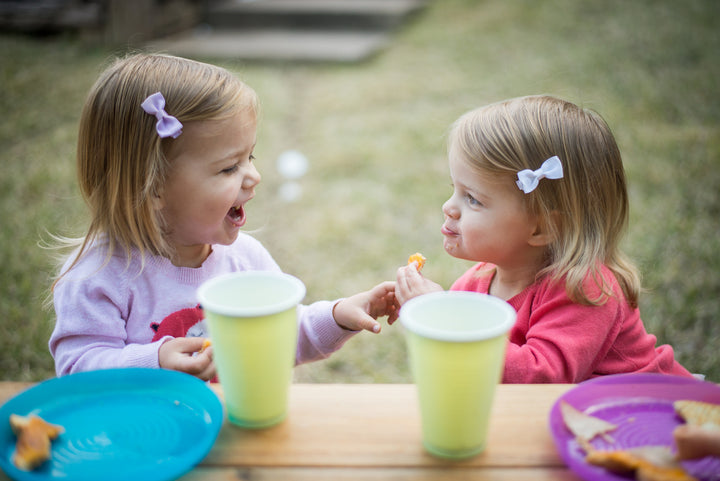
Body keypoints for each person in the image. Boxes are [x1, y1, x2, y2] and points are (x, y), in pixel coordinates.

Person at [49, 53, 397, 381]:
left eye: (251, 157)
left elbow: (281, 336)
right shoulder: (99, 277)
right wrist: (154, 360)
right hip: (146, 437)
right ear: (151, 187)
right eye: (230, 167)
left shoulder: (245, 259)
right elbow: (77, 367)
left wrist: (338, 317)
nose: (253, 176)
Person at [395, 95, 692, 383]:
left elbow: (542, 378)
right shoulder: (472, 287)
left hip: (656, 410)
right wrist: (426, 318)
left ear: (542, 228)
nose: (449, 207)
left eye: (472, 199)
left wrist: (447, 317)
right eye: (455, 190)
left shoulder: (586, 289)